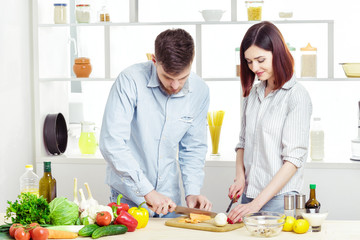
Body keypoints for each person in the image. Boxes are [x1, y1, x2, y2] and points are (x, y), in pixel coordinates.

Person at [99, 28, 212, 218]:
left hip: (169, 200)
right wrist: (147, 191)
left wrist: (192, 191)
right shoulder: (130, 80)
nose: (175, 86)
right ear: (154, 60)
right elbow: (112, 143)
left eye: (182, 78)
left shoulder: (200, 91)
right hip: (129, 197)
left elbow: (193, 147)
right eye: (168, 77)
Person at [227, 21, 312, 223]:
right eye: (248, 61)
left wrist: (256, 205)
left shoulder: (296, 96)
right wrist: (240, 177)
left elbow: (293, 160)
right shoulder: (252, 93)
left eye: (260, 59)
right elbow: (242, 142)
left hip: (280, 201)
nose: (254, 67)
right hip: (249, 196)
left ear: (278, 53)